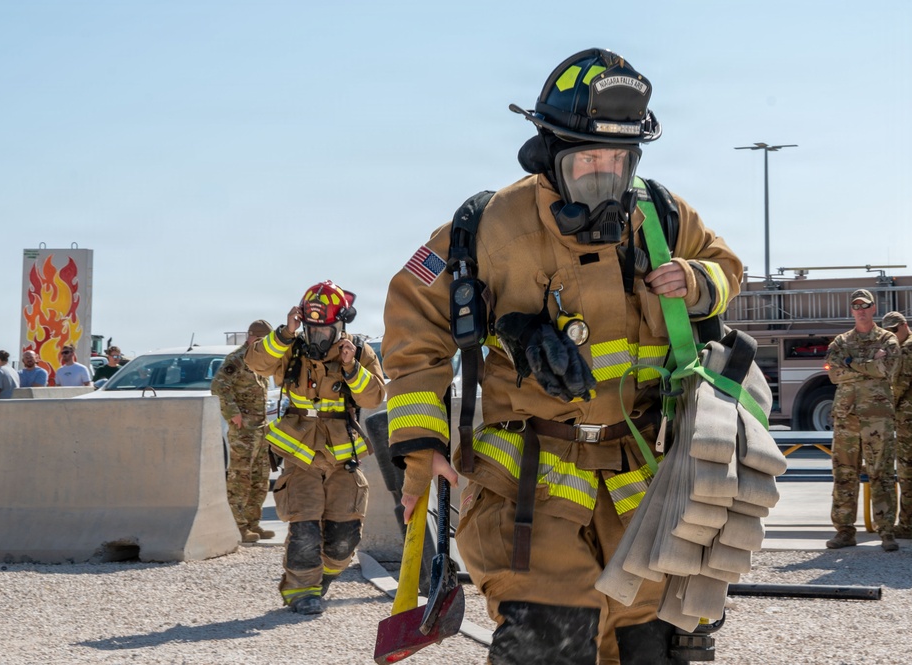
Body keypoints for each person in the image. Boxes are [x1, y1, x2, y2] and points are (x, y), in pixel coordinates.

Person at [382, 49, 741, 664]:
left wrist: (698, 279)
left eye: (619, 160)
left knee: (656, 644)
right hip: (528, 485)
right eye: (588, 159)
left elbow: (727, 268)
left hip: (642, 484)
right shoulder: (484, 227)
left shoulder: (664, 216)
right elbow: (416, 323)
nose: (606, 173)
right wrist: (420, 446)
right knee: (553, 636)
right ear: (549, 154)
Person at [246, 281, 385, 616]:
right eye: (312, 328)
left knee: (343, 540)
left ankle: (320, 578)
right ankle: (301, 591)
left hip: (342, 457)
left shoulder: (360, 350)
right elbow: (257, 363)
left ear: (340, 325)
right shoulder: (290, 347)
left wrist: (352, 369)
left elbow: (376, 396)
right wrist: (284, 334)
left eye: (325, 330)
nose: (318, 336)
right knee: (305, 527)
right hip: (301, 453)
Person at [825, 290, 901, 552]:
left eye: (865, 306)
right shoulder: (840, 341)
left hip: (877, 419)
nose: (860, 310)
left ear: (873, 308)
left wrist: (850, 365)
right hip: (846, 417)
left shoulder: (887, 339)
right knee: (844, 474)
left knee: (882, 474)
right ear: (852, 310)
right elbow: (834, 374)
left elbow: (886, 369)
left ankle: (887, 532)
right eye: (856, 306)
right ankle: (845, 531)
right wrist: (867, 364)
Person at [212, 321, 275, 544]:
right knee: (241, 477)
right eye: (260, 339)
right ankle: (237, 526)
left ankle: (252, 523)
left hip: (260, 427)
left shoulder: (261, 360)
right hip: (243, 429)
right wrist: (233, 414)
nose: (264, 344)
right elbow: (219, 386)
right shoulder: (237, 359)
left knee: (260, 478)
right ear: (250, 337)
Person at [884, 311, 912, 539]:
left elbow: (900, 385)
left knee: (907, 473)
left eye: (895, 329)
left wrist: (884, 411)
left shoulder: (906, 350)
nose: (893, 335)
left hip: (907, 423)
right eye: (889, 331)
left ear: (905, 325)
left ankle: (906, 525)